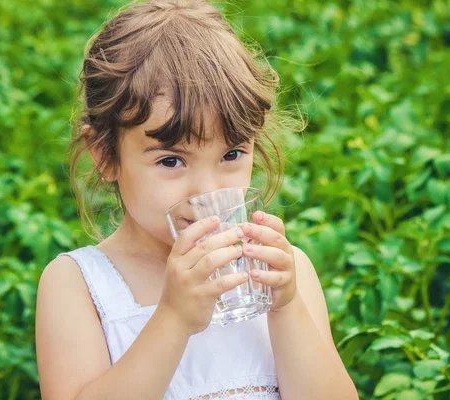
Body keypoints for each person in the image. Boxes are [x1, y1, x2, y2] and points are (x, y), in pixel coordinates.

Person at [35, 1, 358, 399]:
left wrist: (286, 308)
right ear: (104, 154)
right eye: (171, 160)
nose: (206, 190)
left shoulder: (284, 273)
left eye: (232, 154)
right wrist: (172, 318)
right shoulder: (78, 285)